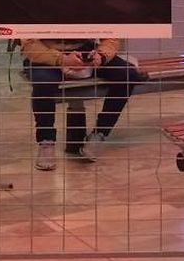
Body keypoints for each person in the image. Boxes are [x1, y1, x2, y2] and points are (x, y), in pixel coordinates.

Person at [21, 38, 139, 170]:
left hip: (87, 51)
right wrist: (62, 59)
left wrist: (101, 55)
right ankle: (46, 141)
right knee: (43, 82)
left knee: (128, 75)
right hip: (47, 53)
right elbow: (29, 44)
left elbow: (111, 37)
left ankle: (100, 133)